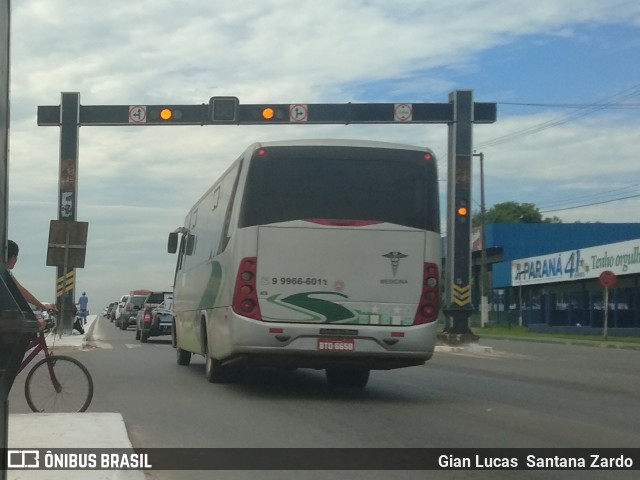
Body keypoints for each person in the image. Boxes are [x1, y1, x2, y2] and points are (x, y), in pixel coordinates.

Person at [6, 239, 57, 327]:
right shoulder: (4, 273)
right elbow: (20, 291)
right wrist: (43, 307)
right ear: (13, 257)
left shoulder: (5, 274)